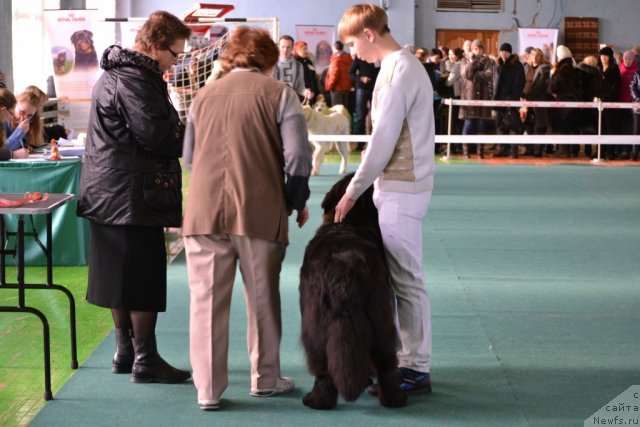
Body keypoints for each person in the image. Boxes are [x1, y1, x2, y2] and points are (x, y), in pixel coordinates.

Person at [182, 26, 312, 411]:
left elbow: (189, 158)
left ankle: (207, 389)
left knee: (205, 302)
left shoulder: (202, 97)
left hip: (204, 212)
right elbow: (298, 158)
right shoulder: (280, 94)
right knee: (262, 299)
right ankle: (265, 379)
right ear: (270, 58)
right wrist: (295, 199)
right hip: (258, 211)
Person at [76, 11, 192, 384]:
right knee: (141, 277)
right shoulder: (137, 79)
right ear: (156, 46)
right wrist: (188, 130)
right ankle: (146, 359)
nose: (176, 62)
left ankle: (125, 351)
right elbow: (156, 136)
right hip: (132, 194)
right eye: (175, 54)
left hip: (108, 191)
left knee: (117, 277)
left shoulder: (113, 74)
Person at [333, 3, 435, 395]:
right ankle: (404, 361)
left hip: (401, 189)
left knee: (407, 280)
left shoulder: (397, 73)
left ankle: (415, 367)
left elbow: (381, 142)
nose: (353, 52)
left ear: (370, 35)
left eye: (353, 43)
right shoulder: (402, 66)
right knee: (400, 279)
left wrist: (352, 190)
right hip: (400, 187)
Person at [459, 39, 495, 159]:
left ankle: (480, 152)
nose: (477, 51)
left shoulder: (488, 61)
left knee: (481, 126)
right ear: (472, 49)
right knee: (468, 125)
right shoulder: (464, 60)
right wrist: (472, 63)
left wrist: (475, 76)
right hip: (469, 97)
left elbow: (489, 75)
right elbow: (466, 74)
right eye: (475, 48)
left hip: (483, 98)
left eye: (480, 48)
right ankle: (466, 152)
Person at [493, 42, 525, 158]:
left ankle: (514, 150)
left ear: (510, 53)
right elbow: (494, 82)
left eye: (506, 51)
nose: (503, 54)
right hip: (498, 100)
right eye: (502, 51)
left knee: (512, 125)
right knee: (500, 125)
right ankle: (502, 148)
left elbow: (519, 83)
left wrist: (511, 99)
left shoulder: (517, 66)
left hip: (511, 100)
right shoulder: (498, 65)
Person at [349, 52, 379, 146]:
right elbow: (350, 73)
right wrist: (361, 79)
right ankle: (359, 144)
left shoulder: (377, 57)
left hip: (375, 89)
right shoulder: (359, 57)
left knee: (376, 116)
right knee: (360, 116)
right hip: (362, 88)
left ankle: (375, 142)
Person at [274, 35, 306, 100]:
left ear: (292, 48)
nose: (285, 50)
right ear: (278, 47)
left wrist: (306, 92)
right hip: (274, 101)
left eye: (288, 47)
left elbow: (300, 87)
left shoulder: (298, 65)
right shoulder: (271, 64)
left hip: (291, 102)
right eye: (283, 47)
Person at [0, 88, 29, 160]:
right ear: (3, 110)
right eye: (11, 113)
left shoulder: (3, 123)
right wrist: (13, 154)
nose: (11, 117)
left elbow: (5, 147)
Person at [325, 40, 354, 109]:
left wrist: (329, 87)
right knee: (345, 111)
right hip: (346, 88)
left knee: (337, 112)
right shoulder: (349, 58)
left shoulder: (336, 59)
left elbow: (334, 75)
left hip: (337, 89)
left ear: (334, 48)